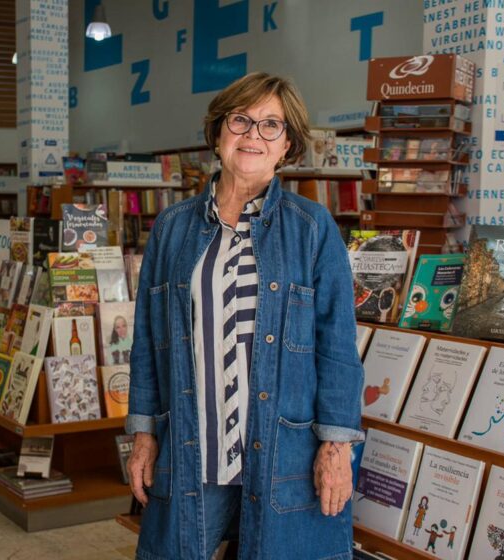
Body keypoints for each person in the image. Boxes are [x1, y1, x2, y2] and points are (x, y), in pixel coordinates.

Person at [126, 72, 364, 560]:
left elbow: (337, 346)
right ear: (218, 133)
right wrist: (144, 435)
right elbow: (149, 343)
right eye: (241, 120)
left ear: (288, 145)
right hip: (193, 453)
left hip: (283, 455)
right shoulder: (172, 228)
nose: (254, 135)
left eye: (271, 125)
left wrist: (337, 450)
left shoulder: (313, 228)